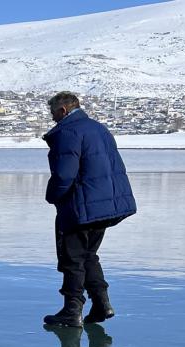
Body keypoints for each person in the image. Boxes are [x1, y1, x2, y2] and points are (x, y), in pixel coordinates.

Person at [42, 92, 136, 327]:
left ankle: (72, 311)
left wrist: (52, 196)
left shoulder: (68, 132)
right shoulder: (98, 128)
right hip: (104, 205)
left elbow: (64, 173)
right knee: (88, 255)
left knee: (72, 258)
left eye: (53, 112)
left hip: (81, 205)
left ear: (63, 111)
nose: (52, 117)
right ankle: (102, 305)